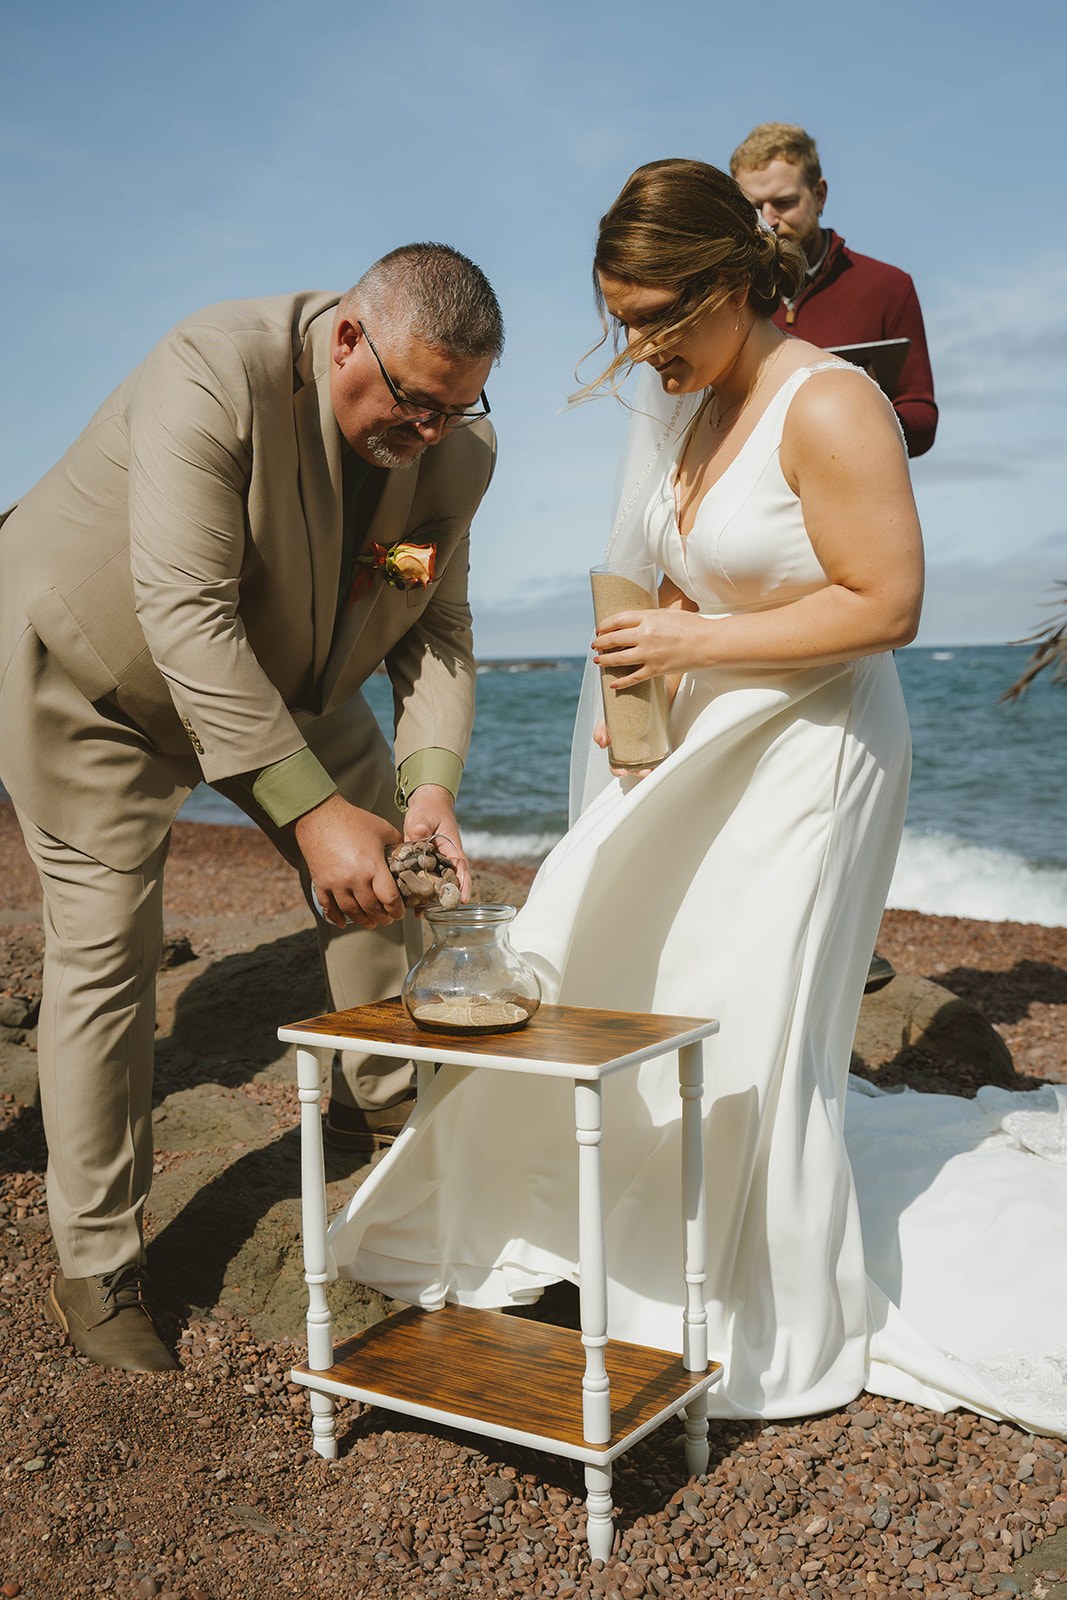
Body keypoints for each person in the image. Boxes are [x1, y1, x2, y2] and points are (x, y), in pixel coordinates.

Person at [325, 163, 1067, 1437]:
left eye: (656, 315)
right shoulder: (688, 404)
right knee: (593, 953)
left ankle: (741, 1292)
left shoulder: (829, 405)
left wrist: (689, 649)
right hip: (700, 746)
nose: (637, 346)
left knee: (747, 1006)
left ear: (734, 282)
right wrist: (646, 674)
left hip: (812, 752)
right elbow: (684, 583)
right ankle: (575, 1226)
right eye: (619, 318)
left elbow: (885, 605)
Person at [0, 244, 502, 1371]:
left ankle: (388, 1117)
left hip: (283, 680)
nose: (431, 433)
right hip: (93, 678)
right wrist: (310, 816)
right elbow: (183, 611)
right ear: (343, 341)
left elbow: (432, 622)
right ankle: (97, 1268)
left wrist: (425, 786)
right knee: (107, 949)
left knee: (396, 866)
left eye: (456, 409)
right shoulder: (209, 370)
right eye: (416, 403)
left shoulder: (454, 448)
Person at [730, 122, 937, 459]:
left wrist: (857, 413)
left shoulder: (889, 287)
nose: (768, 221)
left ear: (820, 195)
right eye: (754, 207)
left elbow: (923, 419)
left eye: (783, 203)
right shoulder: (727, 296)